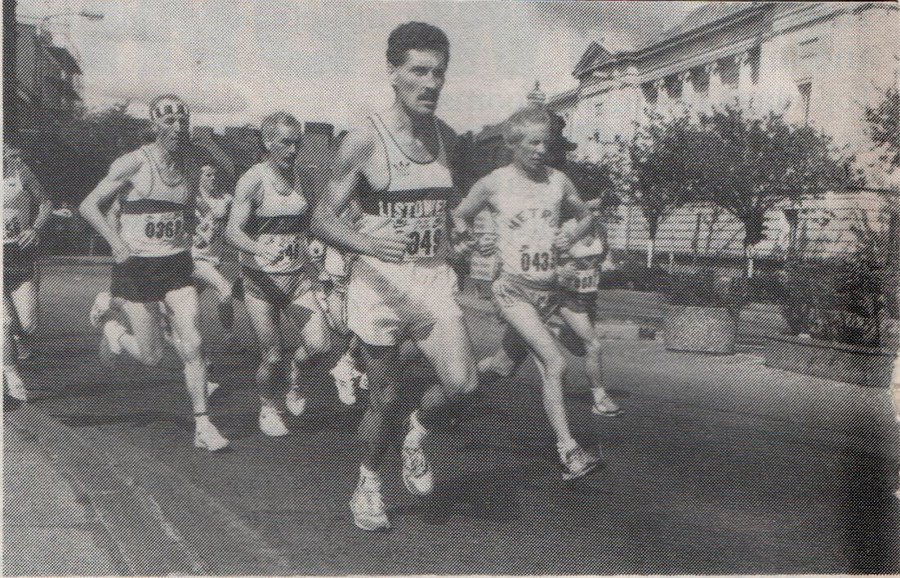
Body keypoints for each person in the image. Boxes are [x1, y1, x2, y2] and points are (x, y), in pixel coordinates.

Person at [312, 21, 478, 531]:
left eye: (439, 73)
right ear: (392, 73)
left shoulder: (448, 138)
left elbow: (448, 212)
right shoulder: (364, 139)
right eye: (418, 71)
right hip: (379, 287)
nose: (431, 84)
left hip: (430, 282)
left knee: (464, 385)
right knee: (383, 396)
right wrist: (366, 242)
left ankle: (416, 435)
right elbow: (320, 218)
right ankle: (368, 483)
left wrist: (463, 237)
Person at [454, 105, 606, 480]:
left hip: (548, 293)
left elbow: (585, 214)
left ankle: (452, 388)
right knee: (554, 364)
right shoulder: (494, 183)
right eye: (533, 143)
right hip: (512, 291)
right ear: (512, 144)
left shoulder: (558, 181)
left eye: (546, 143)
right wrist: (472, 238)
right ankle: (569, 451)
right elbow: (461, 214)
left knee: (501, 367)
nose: (541, 150)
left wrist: (574, 230)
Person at [79, 94, 229, 452]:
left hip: (176, 264)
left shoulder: (192, 168)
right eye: (169, 121)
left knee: (192, 340)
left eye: (183, 121)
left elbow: (191, 209)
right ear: (155, 125)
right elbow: (88, 206)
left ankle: (203, 425)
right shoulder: (134, 163)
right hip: (137, 268)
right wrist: (115, 240)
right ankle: (115, 333)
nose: (178, 127)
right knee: (152, 356)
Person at [225, 112, 332, 437]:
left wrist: (316, 247)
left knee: (320, 346)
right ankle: (268, 407)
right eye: (286, 142)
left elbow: (313, 224)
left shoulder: (305, 179)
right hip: (261, 283)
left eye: (297, 142)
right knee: (272, 356)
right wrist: (258, 248)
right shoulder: (253, 180)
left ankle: (296, 375)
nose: (293, 149)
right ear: (268, 142)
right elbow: (232, 231)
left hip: (297, 279)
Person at [478, 198, 622, 417]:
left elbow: (600, 259)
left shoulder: (600, 231)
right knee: (591, 345)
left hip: (582, 298)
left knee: (505, 366)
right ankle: (599, 399)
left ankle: (466, 387)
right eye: (590, 209)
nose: (595, 214)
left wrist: (592, 272)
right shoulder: (561, 229)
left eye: (599, 209)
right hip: (552, 298)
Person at [3, 143, 52, 403]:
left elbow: (45, 202)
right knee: (4, 322)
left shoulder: (19, 170)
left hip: (19, 255)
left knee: (27, 324)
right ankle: (11, 375)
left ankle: (11, 341)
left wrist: (34, 229)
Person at [191, 163, 236, 337]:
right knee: (225, 290)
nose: (213, 178)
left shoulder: (223, 198)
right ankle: (230, 338)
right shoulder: (192, 200)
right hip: (196, 259)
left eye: (214, 174)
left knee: (188, 300)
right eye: (208, 175)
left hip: (214, 260)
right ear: (199, 177)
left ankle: (165, 321)